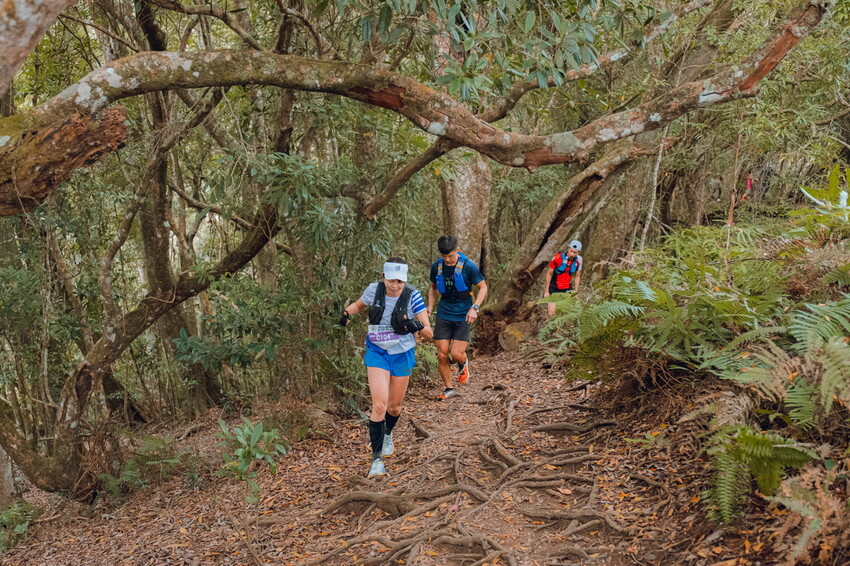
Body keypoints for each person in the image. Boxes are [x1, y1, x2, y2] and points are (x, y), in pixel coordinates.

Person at [339, 258, 433, 478]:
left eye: (400, 281)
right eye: (392, 280)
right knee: (379, 405)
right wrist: (347, 314)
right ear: (384, 277)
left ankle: (388, 432)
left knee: (394, 408)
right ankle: (377, 460)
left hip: (402, 354)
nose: (395, 285)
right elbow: (360, 304)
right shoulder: (374, 290)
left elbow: (429, 332)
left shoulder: (413, 296)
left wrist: (415, 326)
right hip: (377, 352)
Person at [427, 235, 487, 400]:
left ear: (458, 251)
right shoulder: (436, 267)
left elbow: (483, 287)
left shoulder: (469, 266)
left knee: (457, 353)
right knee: (442, 354)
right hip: (444, 311)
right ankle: (448, 388)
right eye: (444, 256)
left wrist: (475, 308)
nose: (447, 259)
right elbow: (433, 287)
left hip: (463, 313)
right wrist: (430, 306)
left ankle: (463, 363)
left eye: (451, 256)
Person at [543, 239, 583, 316]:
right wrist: (546, 291)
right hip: (554, 287)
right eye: (571, 251)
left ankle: (559, 328)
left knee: (563, 314)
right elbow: (549, 273)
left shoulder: (579, 260)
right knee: (551, 313)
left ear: (578, 252)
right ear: (568, 248)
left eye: (575, 252)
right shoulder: (557, 257)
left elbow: (578, 276)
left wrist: (576, 290)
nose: (572, 254)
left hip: (567, 288)